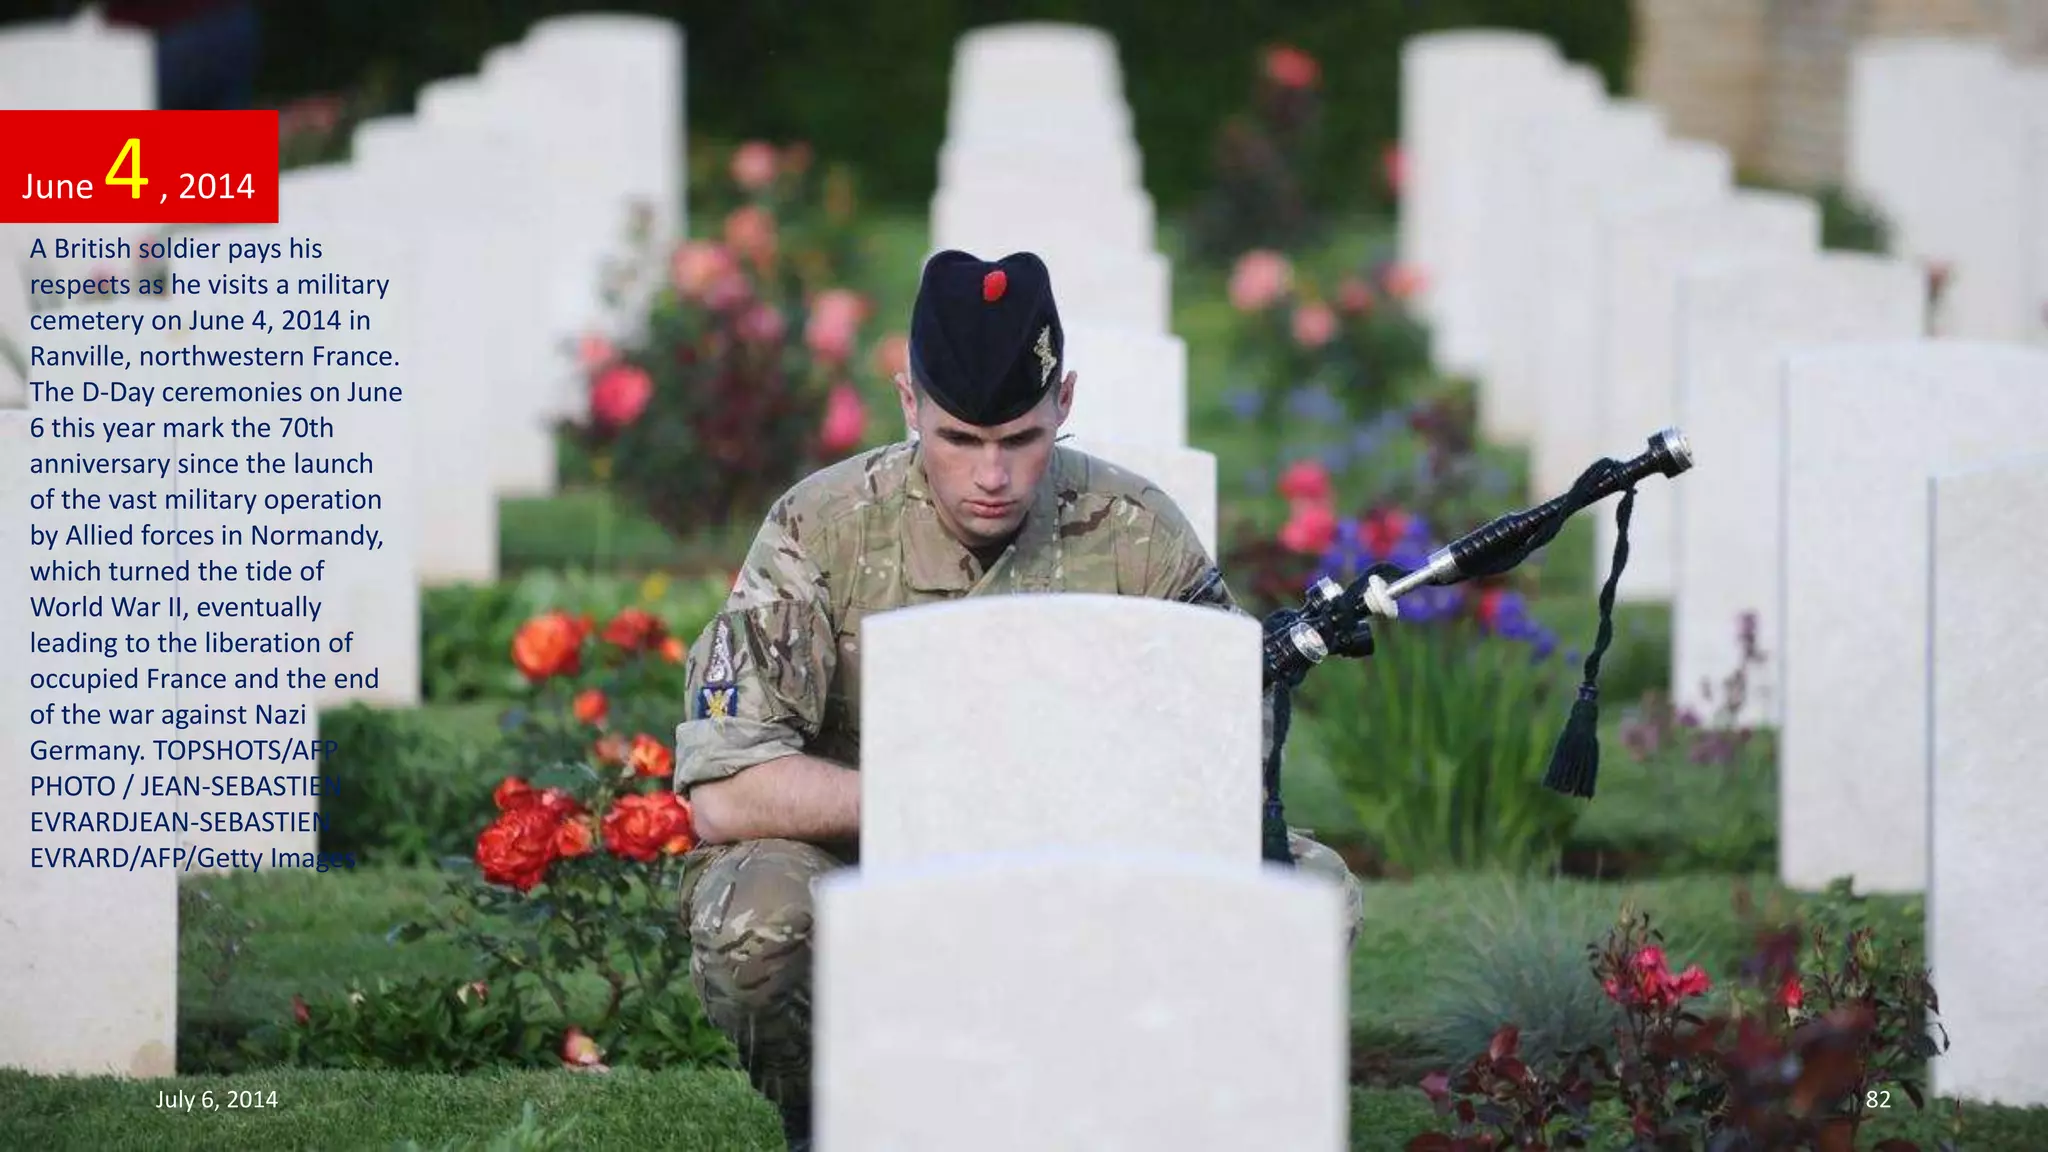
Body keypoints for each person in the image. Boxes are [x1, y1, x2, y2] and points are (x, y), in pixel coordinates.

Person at [671, 249, 1364, 1150]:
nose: (990, 475)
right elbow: (726, 788)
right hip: (870, 858)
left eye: (1020, 440)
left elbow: (1225, 747)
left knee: (1310, 893)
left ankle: (1155, 1115)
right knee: (757, 922)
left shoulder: (1136, 533)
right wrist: (948, 803)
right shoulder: (821, 529)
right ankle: (837, 1116)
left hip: (1097, 846)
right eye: (960, 440)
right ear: (910, 403)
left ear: (1063, 404)